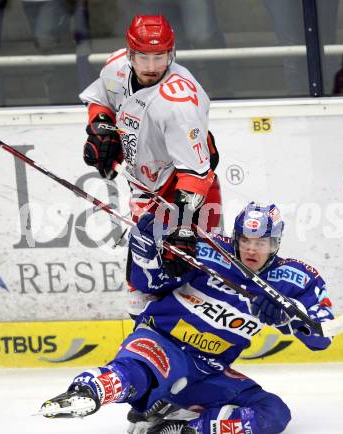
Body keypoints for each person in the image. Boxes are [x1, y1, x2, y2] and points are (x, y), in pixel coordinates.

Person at [39, 202, 335, 434]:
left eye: (261, 242)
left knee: (273, 412)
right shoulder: (205, 249)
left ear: (276, 243)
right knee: (138, 371)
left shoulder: (296, 279)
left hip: (206, 369)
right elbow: (149, 285)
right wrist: (144, 254)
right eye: (245, 240)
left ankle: (185, 428)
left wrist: (289, 316)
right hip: (163, 341)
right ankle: (86, 391)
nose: (251, 249)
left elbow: (322, 337)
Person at [78, 14, 222, 316]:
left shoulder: (179, 102)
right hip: (144, 184)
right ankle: (144, 344)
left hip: (186, 190)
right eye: (143, 57)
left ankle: (199, 345)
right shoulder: (116, 68)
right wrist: (101, 127)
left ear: (172, 54)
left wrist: (183, 229)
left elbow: (195, 175)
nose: (153, 66)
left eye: (160, 57)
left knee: (197, 278)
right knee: (140, 282)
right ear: (130, 54)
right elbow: (99, 100)